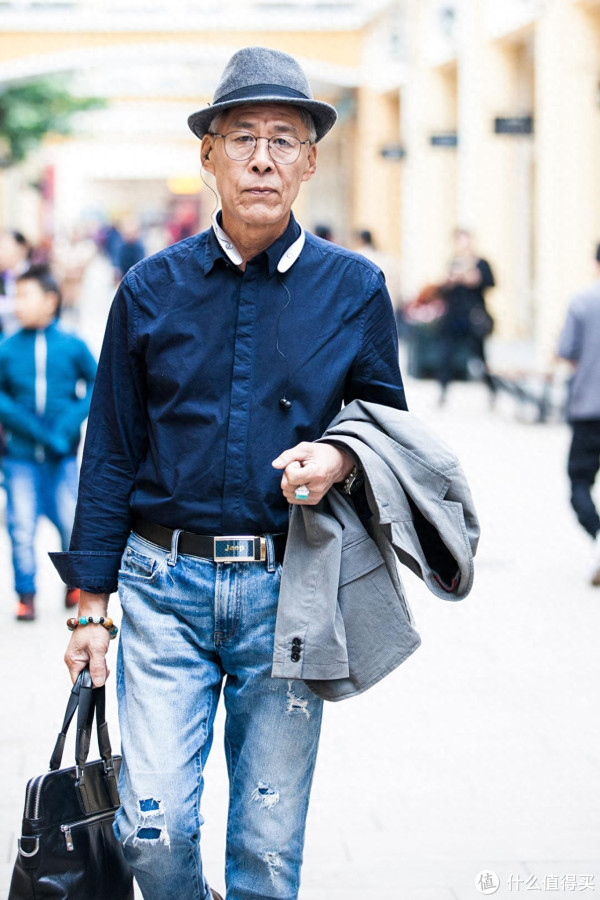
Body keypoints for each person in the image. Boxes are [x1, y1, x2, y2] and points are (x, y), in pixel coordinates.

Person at [50, 46, 406, 900]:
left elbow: (386, 429)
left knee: (268, 847)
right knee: (151, 830)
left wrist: (340, 456)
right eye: (242, 137)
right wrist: (90, 607)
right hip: (163, 586)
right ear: (207, 155)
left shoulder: (354, 289)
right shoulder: (149, 291)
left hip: (291, 589)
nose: (262, 158)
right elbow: (111, 450)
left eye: (285, 140)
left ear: (309, 162)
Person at [0, 265, 97, 620]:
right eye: (16, 296)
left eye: (26, 295)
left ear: (50, 300)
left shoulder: (71, 345)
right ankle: (25, 594)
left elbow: (98, 382)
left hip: (62, 458)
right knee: (22, 526)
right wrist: (37, 430)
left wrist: (67, 424)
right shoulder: (7, 348)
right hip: (19, 457)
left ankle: (73, 583)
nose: (17, 304)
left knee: (71, 522)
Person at [558, 243, 600, 586]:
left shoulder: (583, 301)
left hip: (589, 407)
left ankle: (598, 535)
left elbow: (566, 351)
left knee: (579, 482)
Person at [436, 228, 496, 404]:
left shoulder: (481, 263)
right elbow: (443, 289)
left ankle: (492, 388)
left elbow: (490, 282)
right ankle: (443, 391)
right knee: (446, 354)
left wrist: (471, 277)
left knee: (480, 355)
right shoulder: (453, 263)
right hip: (454, 316)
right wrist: (450, 280)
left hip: (473, 315)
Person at [0, 229, 32, 336]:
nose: (1, 253)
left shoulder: (33, 276)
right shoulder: (4, 276)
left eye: (5, 248)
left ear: (22, 249)